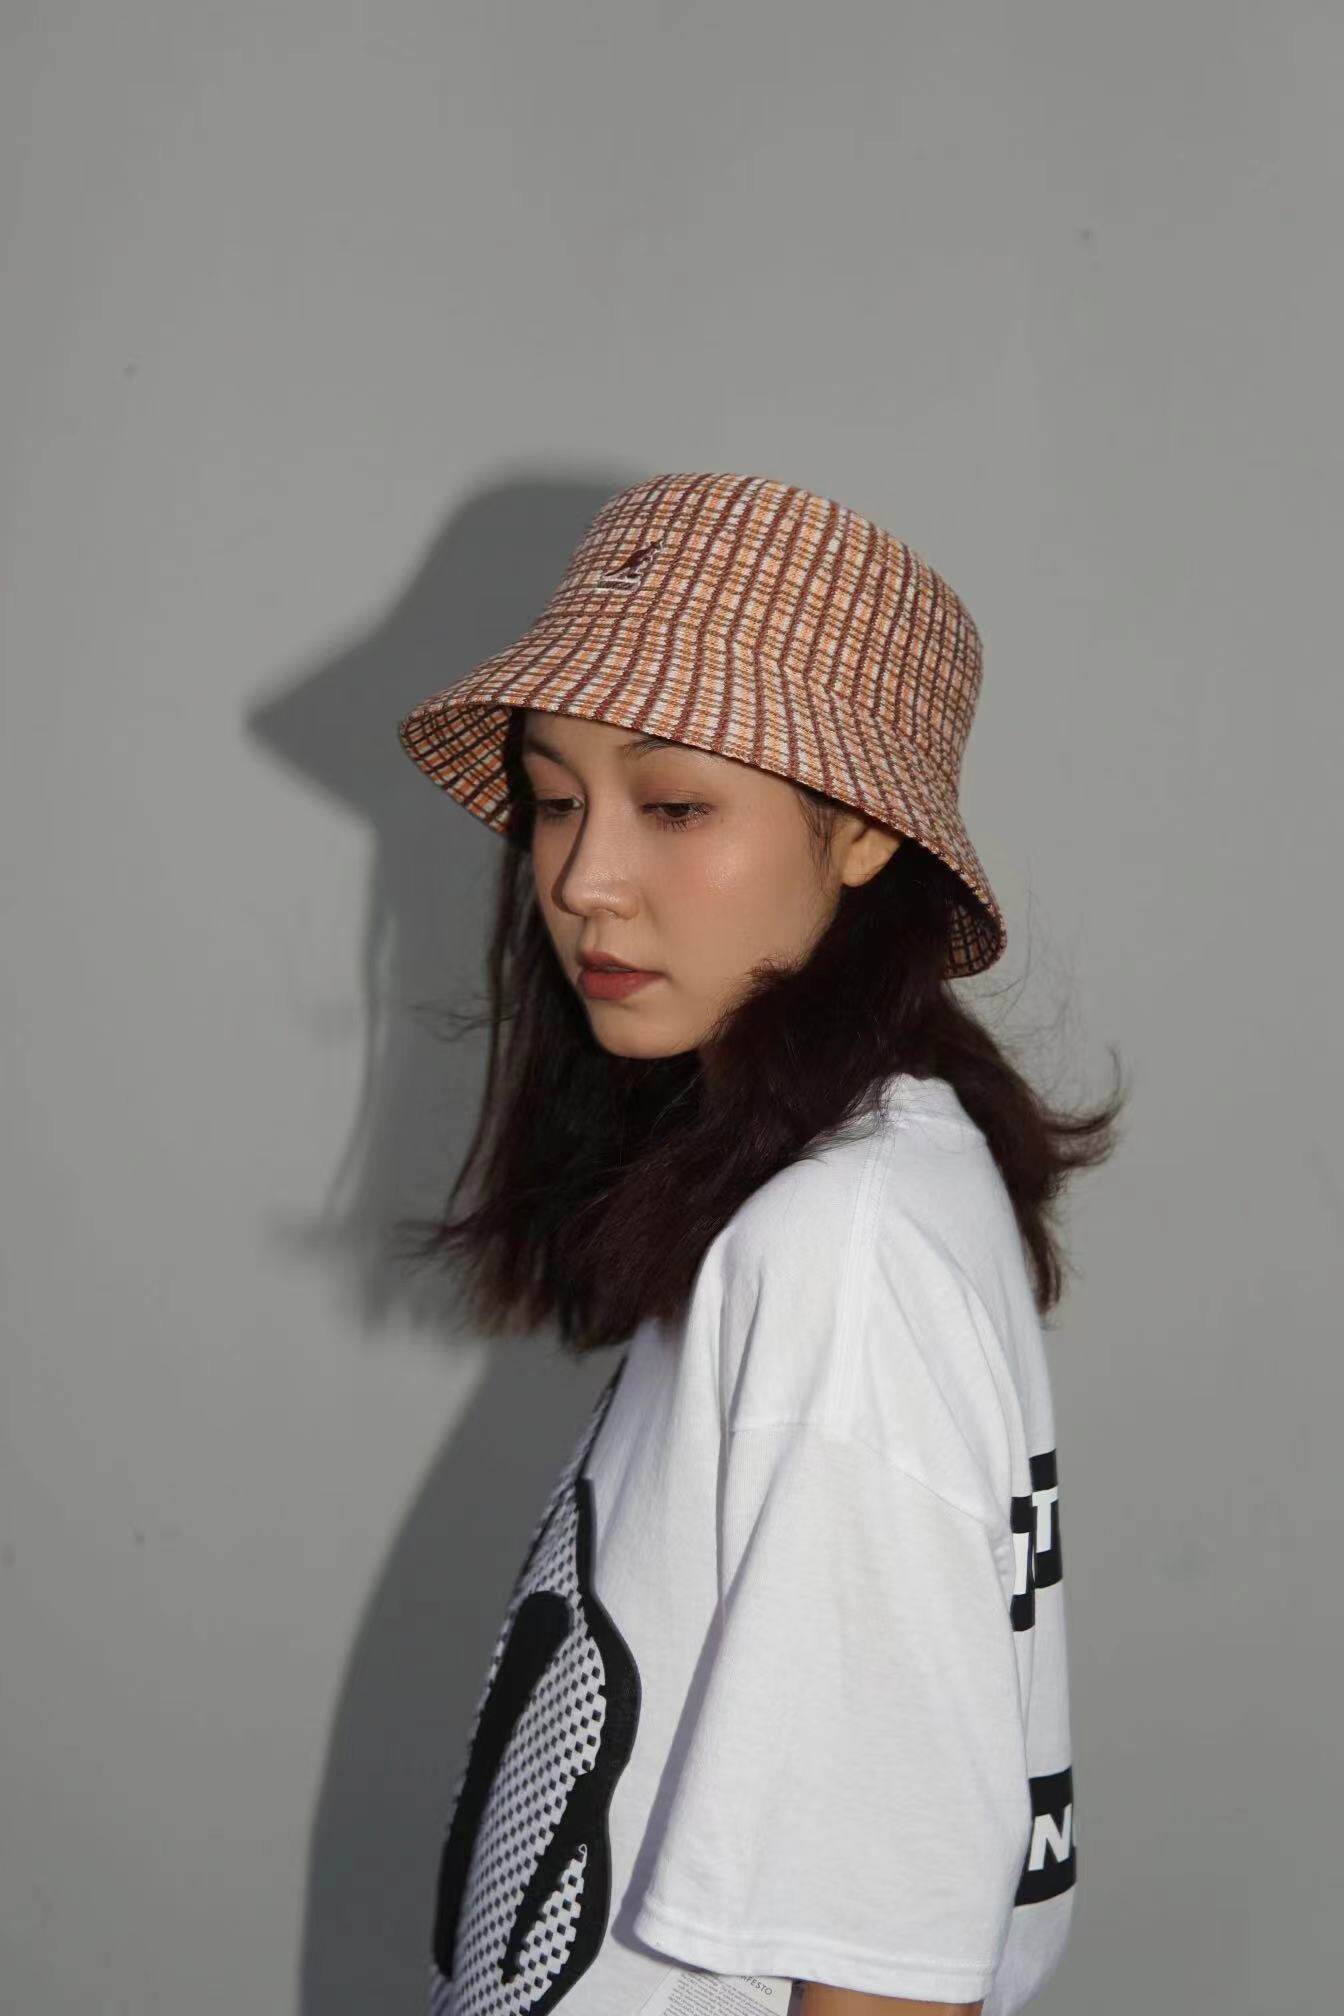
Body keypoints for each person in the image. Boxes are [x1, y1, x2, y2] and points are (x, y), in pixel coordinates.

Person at [394, 470, 1125, 2016]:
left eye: (674, 806)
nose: (582, 878)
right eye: (555, 798)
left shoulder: (841, 1242)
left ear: (859, 834)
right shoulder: (860, 1181)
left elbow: (887, 1970)